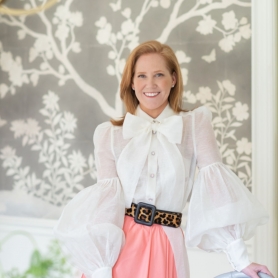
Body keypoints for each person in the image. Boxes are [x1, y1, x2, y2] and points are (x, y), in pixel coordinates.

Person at [54, 40, 274, 278]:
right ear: (131, 82)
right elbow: (104, 207)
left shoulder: (195, 124)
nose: (150, 84)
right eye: (141, 76)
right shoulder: (108, 134)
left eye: (159, 74)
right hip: (119, 250)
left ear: (173, 79)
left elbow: (218, 190)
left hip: (167, 244)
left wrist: (241, 260)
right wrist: (100, 270)